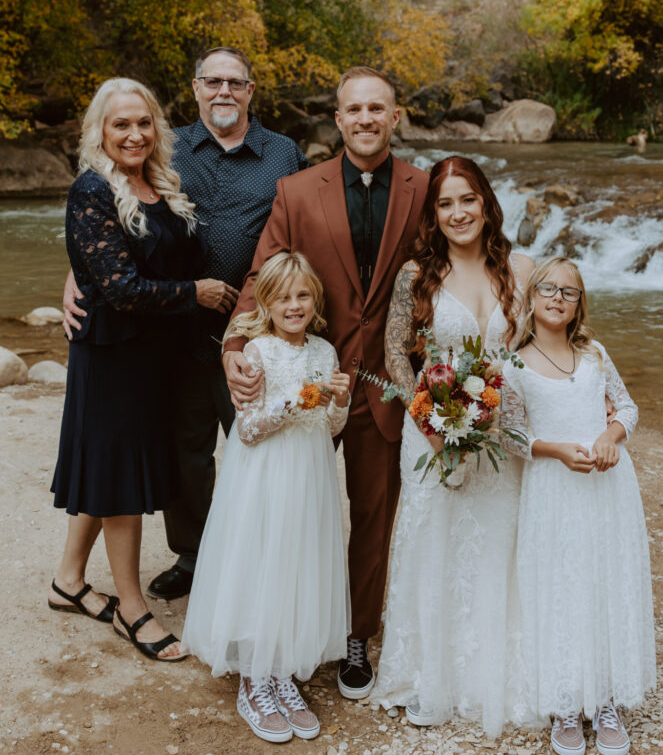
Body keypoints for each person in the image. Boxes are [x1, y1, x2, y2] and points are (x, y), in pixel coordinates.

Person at [63, 47, 308, 600]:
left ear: (251, 91)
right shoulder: (164, 149)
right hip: (176, 333)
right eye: (212, 81)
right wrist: (77, 273)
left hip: (257, 331)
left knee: (259, 444)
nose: (224, 91)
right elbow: (119, 221)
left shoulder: (284, 153)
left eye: (236, 83)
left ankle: (263, 557)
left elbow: (306, 226)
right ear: (196, 88)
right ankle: (194, 555)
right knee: (185, 451)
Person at [224, 67, 429, 699]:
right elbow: (262, 274)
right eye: (354, 110)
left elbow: (459, 260)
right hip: (303, 372)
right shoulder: (295, 191)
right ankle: (279, 632)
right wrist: (234, 346)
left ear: (396, 117)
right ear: (337, 120)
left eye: (378, 108)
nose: (366, 119)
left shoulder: (425, 189)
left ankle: (355, 636)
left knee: (373, 513)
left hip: (382, 383)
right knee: (289, 507)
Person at [50, 78, 233, 661]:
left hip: (153, 357)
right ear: (99, 131)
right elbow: (121, 287)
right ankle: (133, 610)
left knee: (107, 468)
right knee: (122, 482)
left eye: (143, 123)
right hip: (112, 356)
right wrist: (197, 294)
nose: (133, 134)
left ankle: (69, 580)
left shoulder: (161, 185)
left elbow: (151, 259)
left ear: (158, 128)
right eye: (120, 124)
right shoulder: (92, 189)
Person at [371, 156, 535, 736]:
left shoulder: (523, 268)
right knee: (434, 545)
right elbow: (395, 352)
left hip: (502, 437)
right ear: (433, 215)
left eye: (468, 199)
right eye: (445, 204)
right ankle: (431, 674)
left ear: (487, 203)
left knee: (497, 548)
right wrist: (431, 414)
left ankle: (493, 671)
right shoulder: (417, 274)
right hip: (432, 434)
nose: (458, 212)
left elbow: (541, 352)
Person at [183, 252, 350, 743]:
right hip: (264, 477)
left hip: (309, 474)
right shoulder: (256, 352)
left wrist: (337, 401)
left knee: (296, 564)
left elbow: (332, 427)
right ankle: (254, 681)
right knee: (263, 564)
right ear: (267, 302)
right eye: (282, 297)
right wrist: (298, 399)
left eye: (302, 296)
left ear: (315, 301)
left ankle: (281, 674)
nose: (293, 305)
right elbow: (249, 429)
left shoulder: (325, 352)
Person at [502, 257, 656, 755]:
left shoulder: (594, 355)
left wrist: (610, 437)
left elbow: (627, 408)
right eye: (547, 288)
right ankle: (566, 700)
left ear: (578, 305)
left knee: (602, 581)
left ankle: (605, 697)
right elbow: (510, 433)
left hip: (606, 488)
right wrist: (555, 450)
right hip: (553, 487)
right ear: (531, 297)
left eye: (568, 293)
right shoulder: (516, 364)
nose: (556, 298)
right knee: (561, 583)